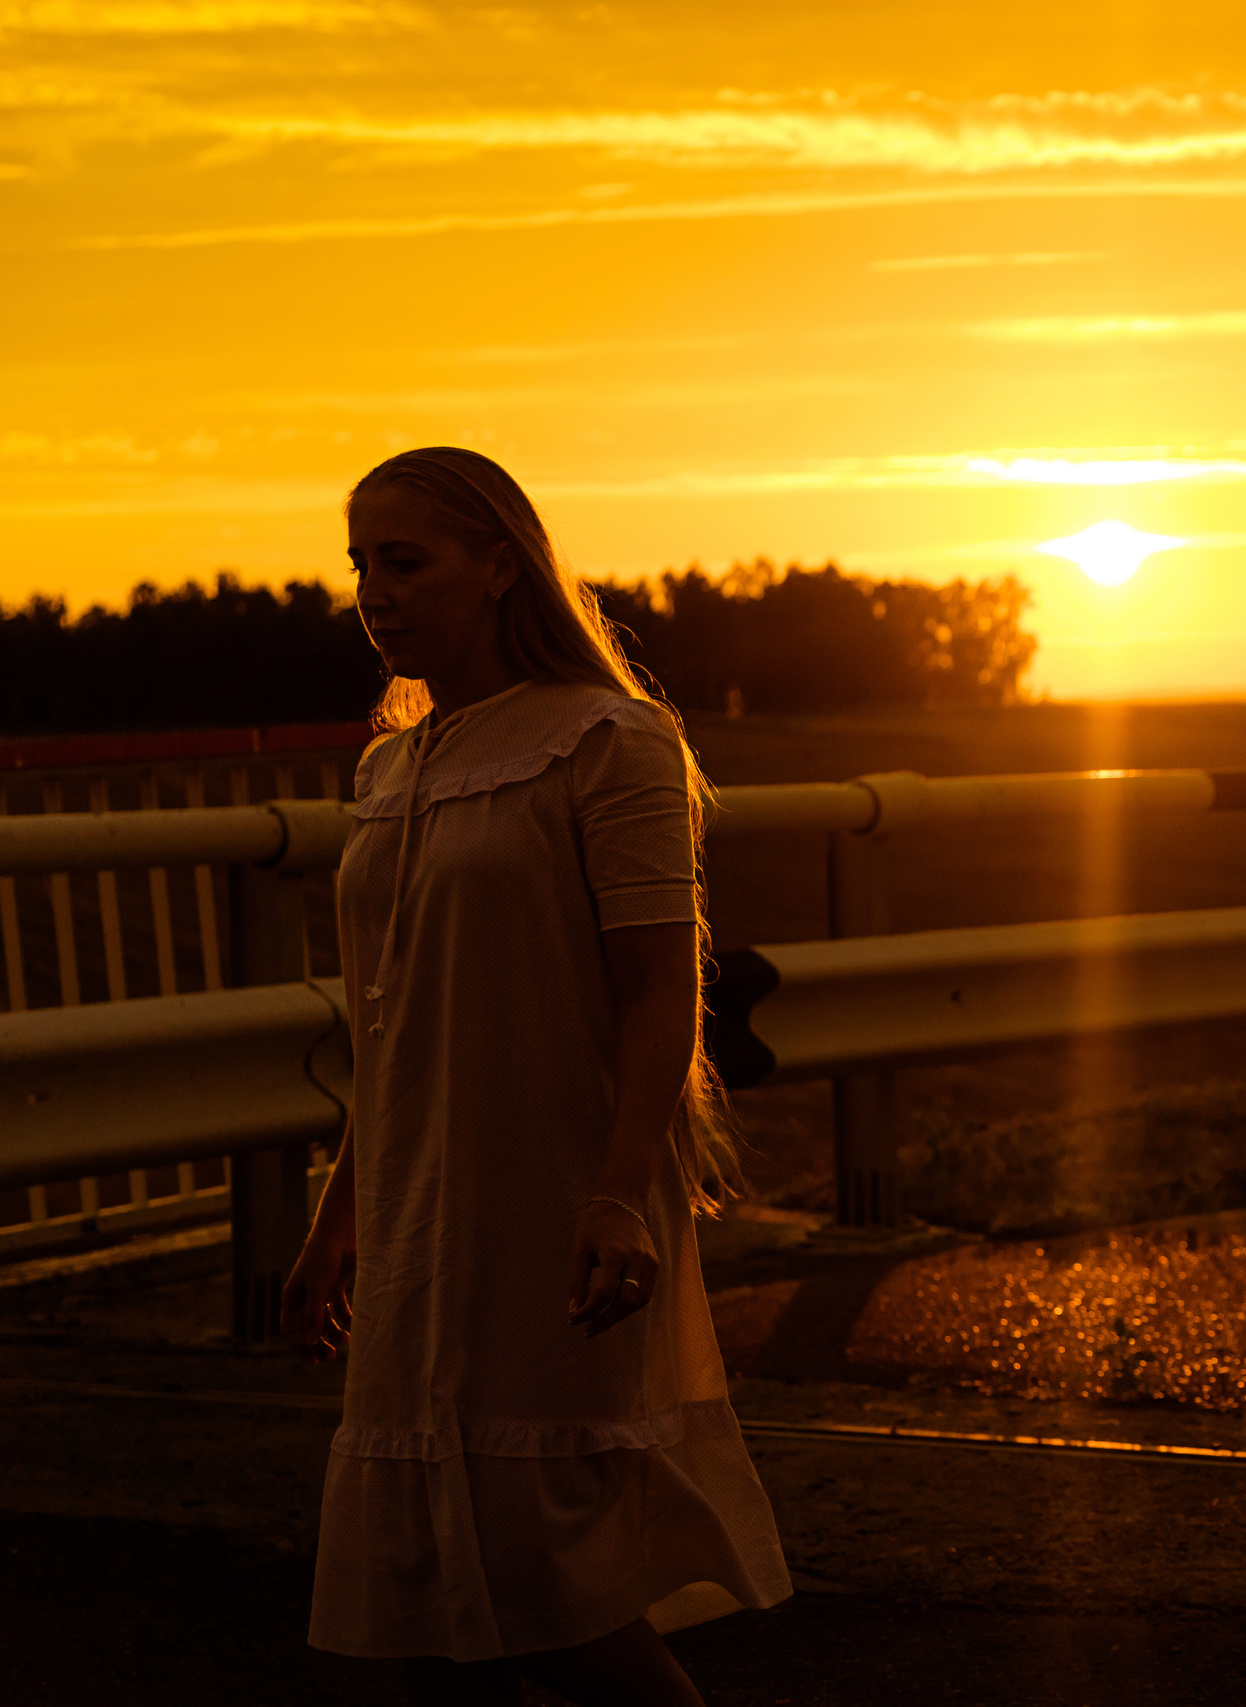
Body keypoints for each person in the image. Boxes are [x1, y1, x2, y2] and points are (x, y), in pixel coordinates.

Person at [282, 447, 792, 1705]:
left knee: (551, 1587)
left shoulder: (608, 741)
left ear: (502, 563)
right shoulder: (387, 770)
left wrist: (620, 1193)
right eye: (360, 565)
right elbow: (394, 1024)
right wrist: (340, 1212)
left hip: (553, 1205)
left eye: (405, 560)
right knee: (417, 1593)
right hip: (415, 1222)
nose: (374, 593)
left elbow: (658, 990)